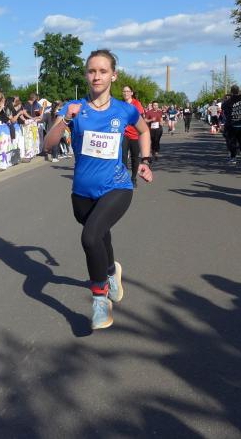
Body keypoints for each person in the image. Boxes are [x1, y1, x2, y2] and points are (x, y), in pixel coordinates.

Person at [43, 49, 152, 330]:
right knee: (99, 234)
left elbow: (144, 131)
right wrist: (65, 120)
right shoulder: (74, 108)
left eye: (103, 71)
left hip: (117, 186)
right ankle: (111, 271)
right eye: (92, 71)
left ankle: (100, 301)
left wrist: (145, 161)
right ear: (86, 75)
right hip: (82, 192)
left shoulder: (125, 109)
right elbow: (48, 145)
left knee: (90, 237)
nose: (97, 76)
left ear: (113, 76)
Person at [121, 85, 144, 187]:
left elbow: (140, 118)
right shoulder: (121, 104)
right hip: (124, 134)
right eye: (124, 91)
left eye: (127, 91)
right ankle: (124, 177)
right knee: (123, 156)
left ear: (131, 93)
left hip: (135, 134)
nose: (125, 93)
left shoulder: (136, 104)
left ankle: (133, 178)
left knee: (135, 157)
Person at [221, 85, 241, 163]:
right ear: (238, 91)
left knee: (232, 142)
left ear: (231, 91)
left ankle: (233, 158)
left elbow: (223, 107)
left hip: (232, 124)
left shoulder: (228, 101)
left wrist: (224, 98)